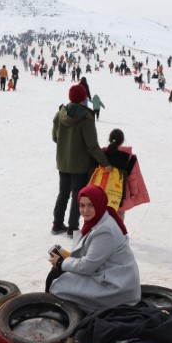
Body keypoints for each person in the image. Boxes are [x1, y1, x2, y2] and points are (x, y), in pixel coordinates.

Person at [46, 185, 141, 313]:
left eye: (91, 205)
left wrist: (61, 262)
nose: (85, 210)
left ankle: (68, 314)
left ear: (99, 204)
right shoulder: (100, 219)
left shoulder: (105, 230)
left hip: (116, 287)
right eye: (82, 205)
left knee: (58, 285)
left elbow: (87, 266)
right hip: (109, 275)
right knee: (59, 274)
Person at [52, 85, 111, 237]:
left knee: (63, 193)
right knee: (77, 196)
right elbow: (92, 145)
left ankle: (57, 224)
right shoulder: (86, 116)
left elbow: (55, 137)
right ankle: (72, 228)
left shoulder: (60, 114)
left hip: (63, 162)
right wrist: (105, 163)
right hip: (80, 164)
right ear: (83, 98)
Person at [103, 129, 150, 220]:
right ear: (122, 141)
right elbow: (132, 178)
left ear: (109, 139)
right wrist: (134, 193)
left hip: (104, 192)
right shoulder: (129, 157)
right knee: (119, 217)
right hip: (121, 194)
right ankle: (118, 232)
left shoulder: (101, 154)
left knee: (104, 216)